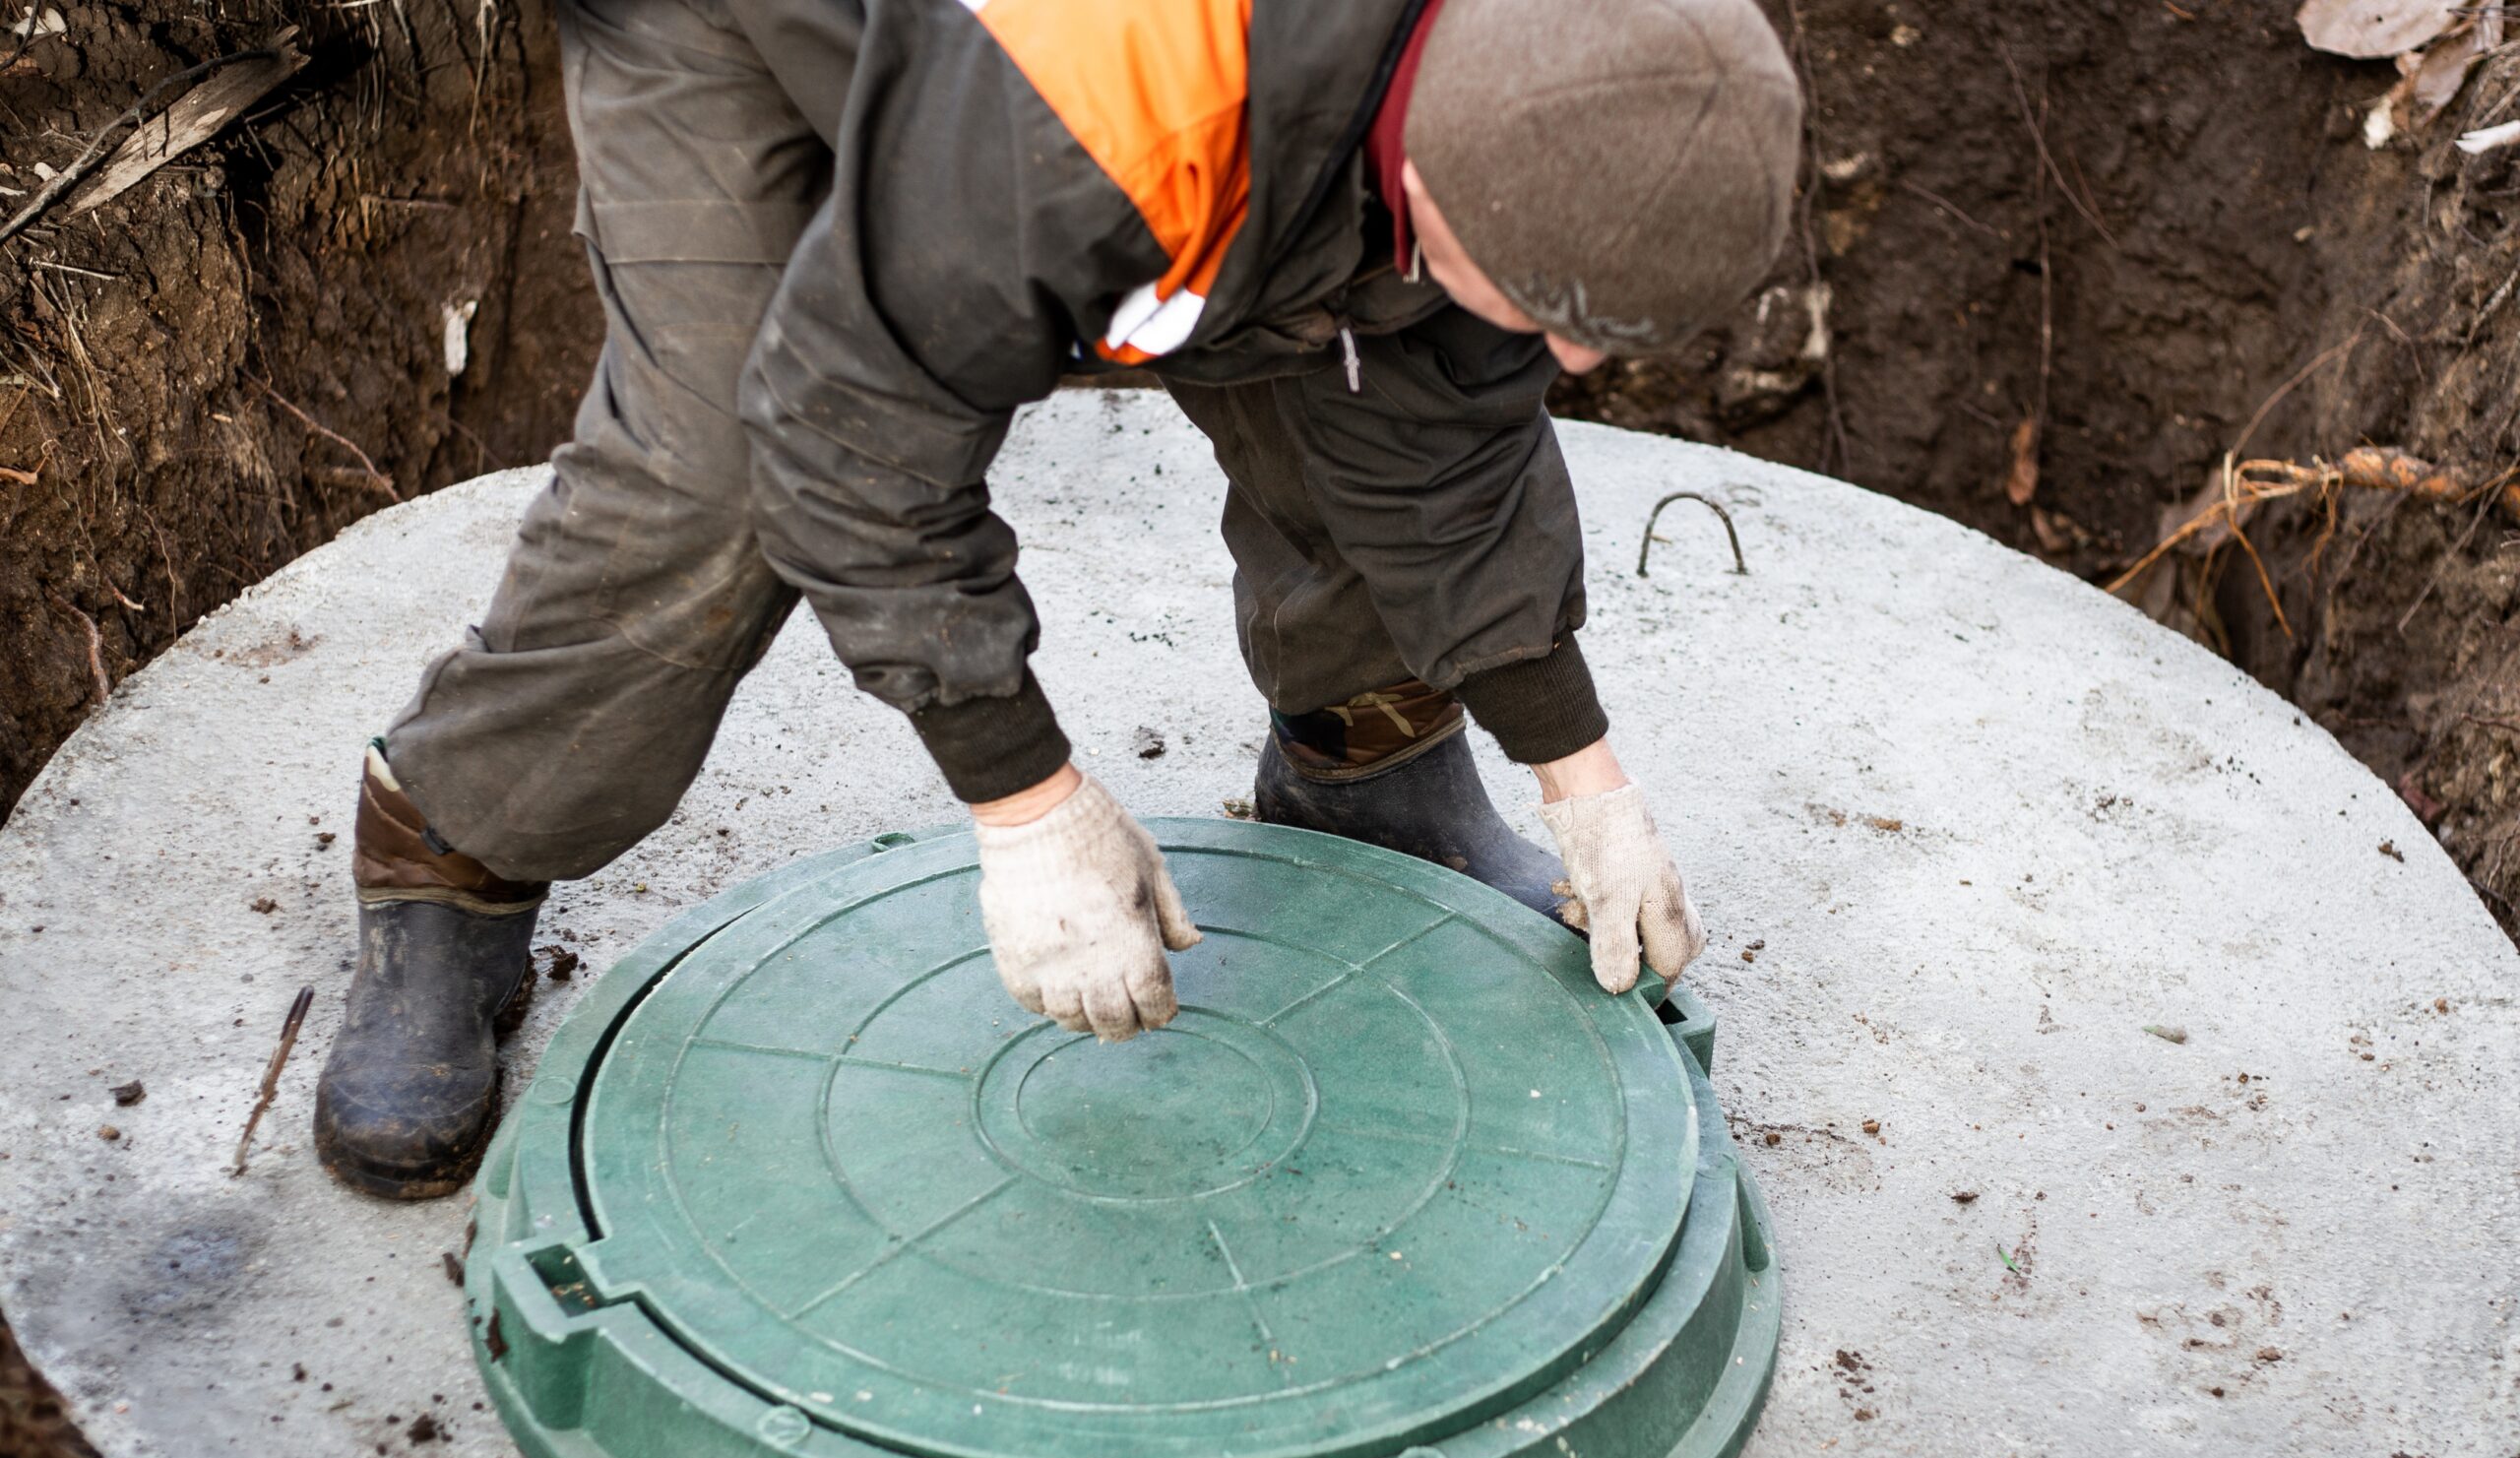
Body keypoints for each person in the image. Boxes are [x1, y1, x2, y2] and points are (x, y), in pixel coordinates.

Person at [313, 0, 1803, 1199]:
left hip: (1180, 109)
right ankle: (453, 849)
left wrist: (1578, 766)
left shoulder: (1584, 59)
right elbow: (852, 436)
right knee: (714, 488)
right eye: (1554, 312)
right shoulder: (1121, 106)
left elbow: (1444, 427)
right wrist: (1027, 806)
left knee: (1365, 337)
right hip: (763, 37)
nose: (1580, 365)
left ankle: (1372, 758)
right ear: (1426, 161)